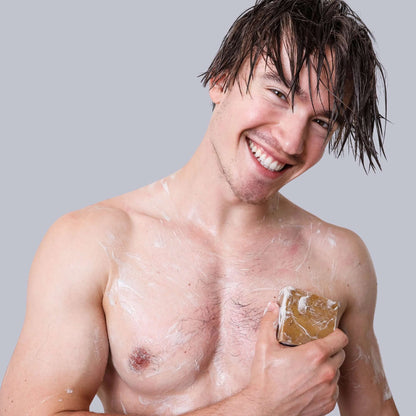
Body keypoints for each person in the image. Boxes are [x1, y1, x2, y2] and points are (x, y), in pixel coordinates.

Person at [0, 0, 399, 414]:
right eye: (279, 93)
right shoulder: (91, 244)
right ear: (221, 80)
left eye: (321, 122)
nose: (291, 141)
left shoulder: (338, 260)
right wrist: (260, 405)